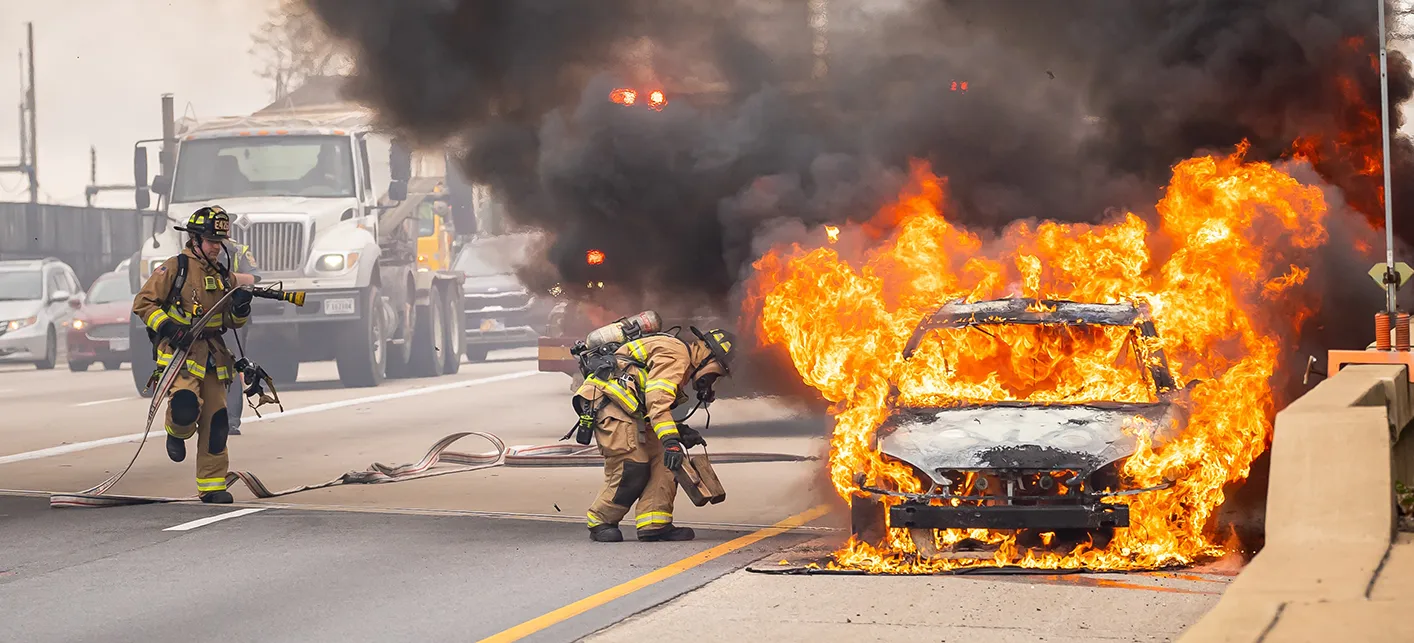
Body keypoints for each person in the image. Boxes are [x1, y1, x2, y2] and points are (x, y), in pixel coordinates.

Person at [132, 205, 252, 504]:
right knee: (185, 405)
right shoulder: (175, 268)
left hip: (214, 356)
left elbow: (230, 323)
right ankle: (176, 430)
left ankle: (212, 485)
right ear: (195, 239)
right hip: (182, 355)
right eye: (211, 241)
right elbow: (143, 303)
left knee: (218, 422)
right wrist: (171, 328)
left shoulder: (223, 274)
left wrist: (240, 308)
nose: (216, 247)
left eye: (219, 242)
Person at [576, 326, 735, 542]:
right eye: (717, 371)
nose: (714, 378)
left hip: (630, 408)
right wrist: (670, 439)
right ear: (707, 353)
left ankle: (654, 523)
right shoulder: (678, 354)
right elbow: (657, 398)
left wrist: (677, 432)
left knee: (667, 458)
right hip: (609, 403)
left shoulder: (679, 357)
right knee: (632, 463)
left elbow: (652, 403)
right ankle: (600, 520)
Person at [223, 233, 259, 436]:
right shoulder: (191, 255)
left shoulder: (238, 250)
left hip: (232, 318)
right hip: (201, 318)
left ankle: (231, 421)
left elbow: (254, 278)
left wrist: (229, 279)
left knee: (232, 366)